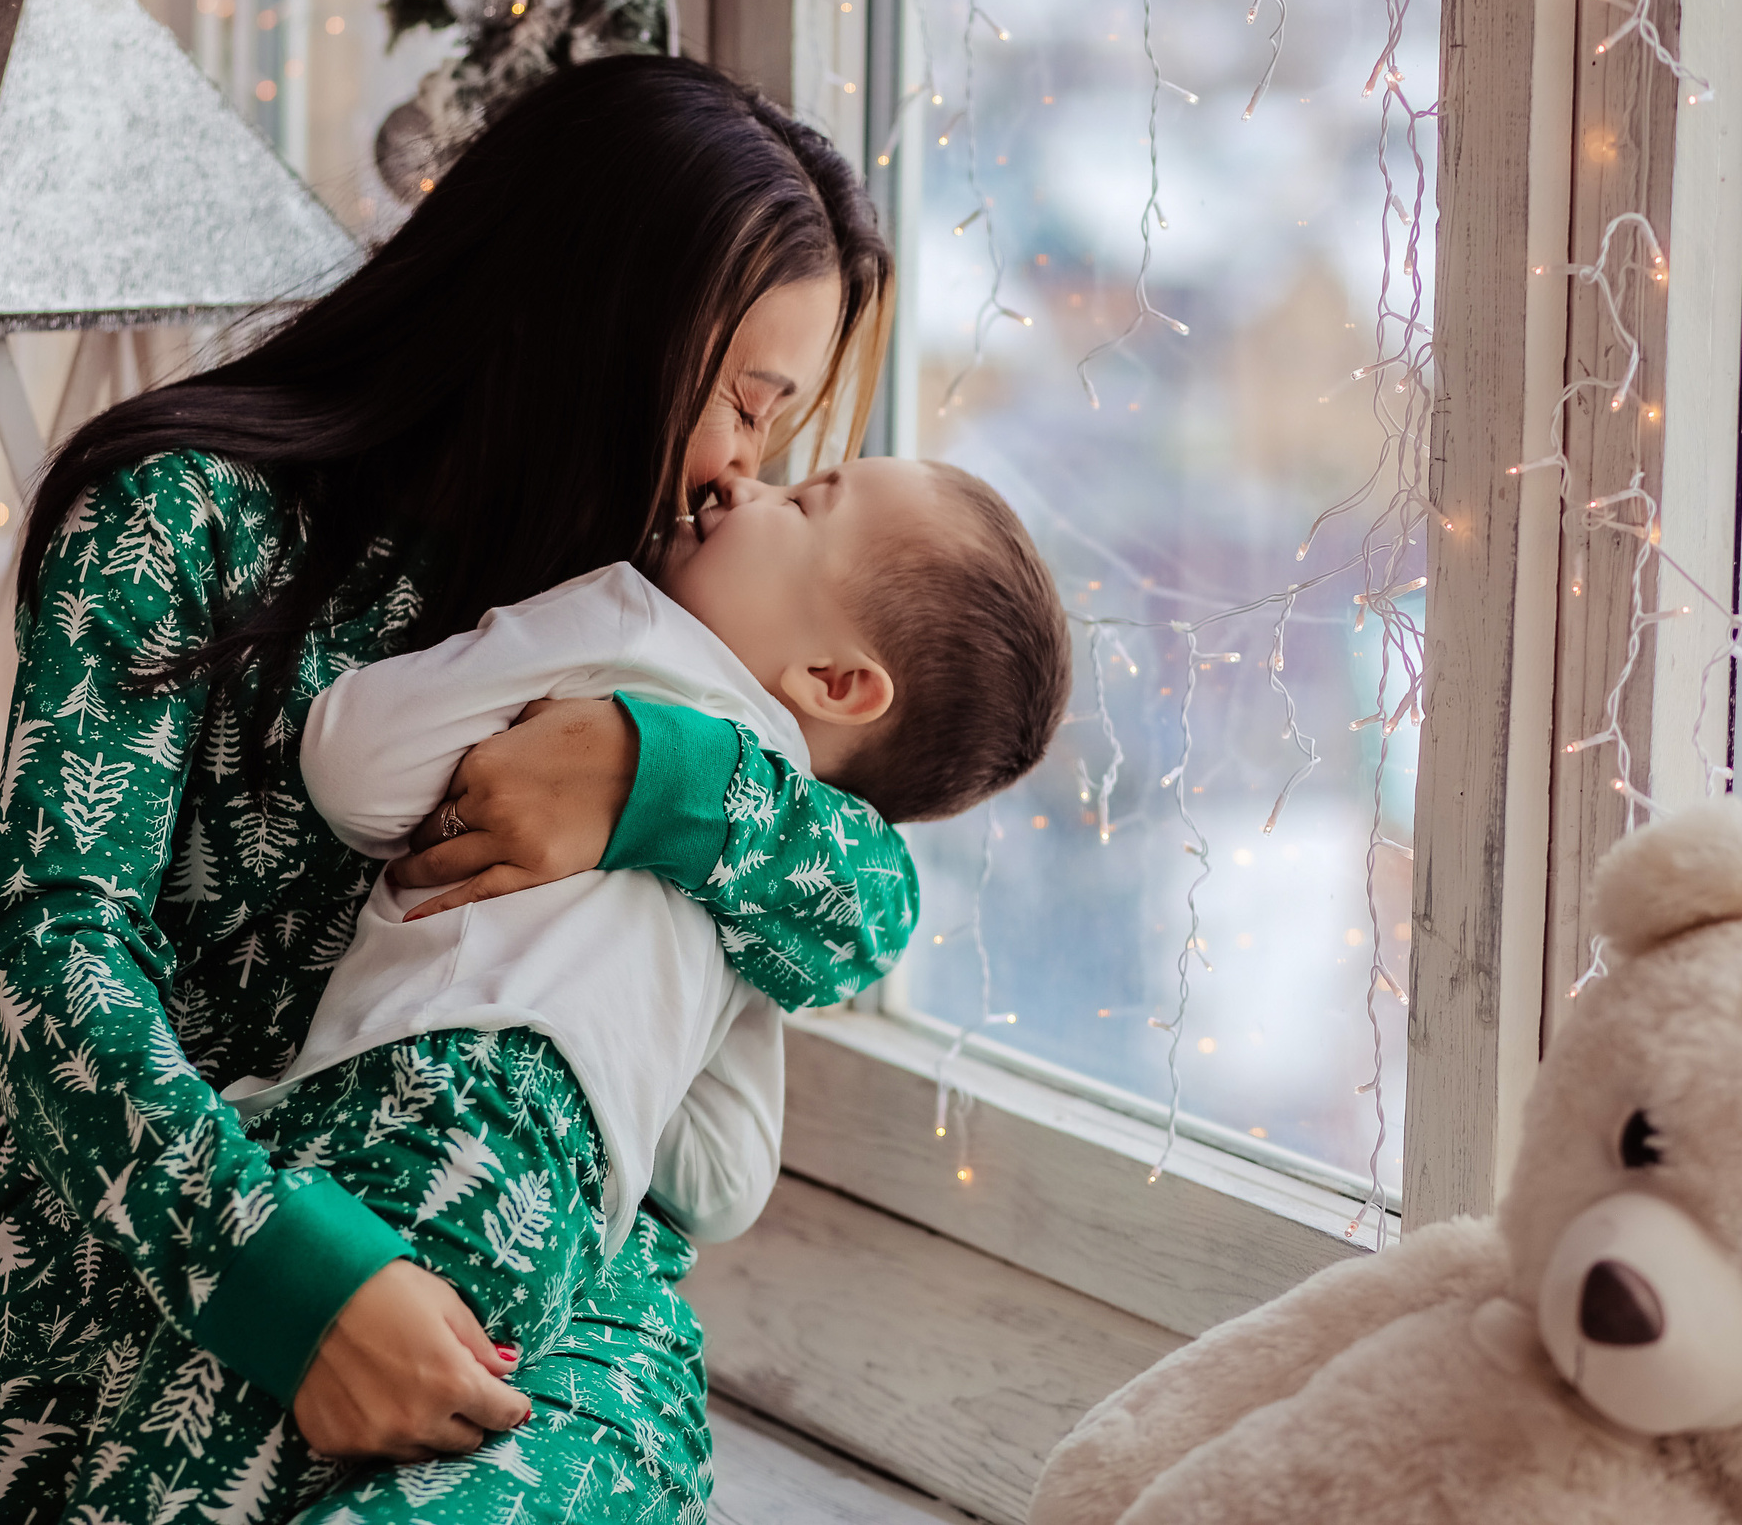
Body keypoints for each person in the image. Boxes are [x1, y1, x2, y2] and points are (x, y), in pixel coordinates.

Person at [0, 56, 912, 1524]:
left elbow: (866, 906)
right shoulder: (183, 516)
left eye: (779, 430)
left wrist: (656, 778)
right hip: (152, 1272)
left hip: (537, 1305)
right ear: (602, 327)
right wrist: (283, 1274)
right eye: (743, 406)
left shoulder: (658, 608)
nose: (740, 473)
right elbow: (52, 949)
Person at [57, 457, 1071, 1522]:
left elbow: (356, 767)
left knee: (183, 1465)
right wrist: (627, 1054)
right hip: (555, 1233)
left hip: (408, 1113)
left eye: (803, 499)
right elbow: (724, 1178)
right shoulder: (760, 884)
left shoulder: (629, 622)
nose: (744, 482)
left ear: (835, 680)